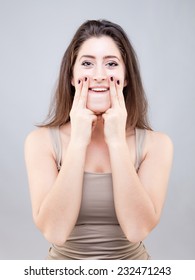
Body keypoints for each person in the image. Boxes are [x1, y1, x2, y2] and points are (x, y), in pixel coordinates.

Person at [24, 19, 173, 260]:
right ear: (72, 77)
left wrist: (116, 141)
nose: (100, 75)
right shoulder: (40, 142)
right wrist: (79, 140)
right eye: (87, 64)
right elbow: (54, 231)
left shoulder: (157, 145)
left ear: (126, 78)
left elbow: (137, 230)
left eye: (111, 64)